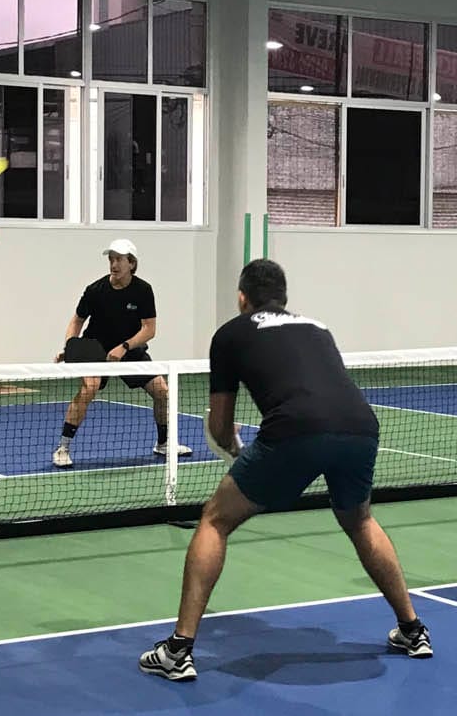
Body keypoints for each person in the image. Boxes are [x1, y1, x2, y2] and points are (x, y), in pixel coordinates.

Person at [138, 259, 433, 680]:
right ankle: (412, 629)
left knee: (215, 521)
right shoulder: (318, 327)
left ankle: (178, 650)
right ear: (285, 297)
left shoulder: (229, 334)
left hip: (295, 431)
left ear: (242, 297)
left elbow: (220, 427)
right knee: (361, 519)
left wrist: (235, 448)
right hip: (360, 427)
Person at [53, 238, 192, 468]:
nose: (113, 264)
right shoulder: (95, 290)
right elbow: (77, 321)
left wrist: (125, 347)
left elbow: (149, 329)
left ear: (132, 263)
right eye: (111, 259)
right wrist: (71, 347)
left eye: (118, 259)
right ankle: (63, 447)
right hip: (96, 350)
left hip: (130, 351)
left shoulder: (143, 290)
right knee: (89, 387)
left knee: (162, 391)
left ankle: (164, 443)